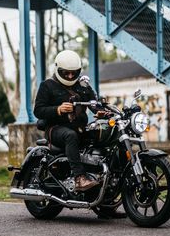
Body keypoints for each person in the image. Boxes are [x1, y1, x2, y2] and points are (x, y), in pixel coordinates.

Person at [34, 50, 126, 218]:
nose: (69, 76)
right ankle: (79, 178)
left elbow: (94, 104)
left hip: (80, 128)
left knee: (106, 141)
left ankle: (106, 202)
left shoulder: (83, 86)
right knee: (70, 136)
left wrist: (101, 112)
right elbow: (38, 110)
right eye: (65, 73)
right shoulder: (47, 85)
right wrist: (58, 109)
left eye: (73, 73)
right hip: (55, 129)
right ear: (58, 69)